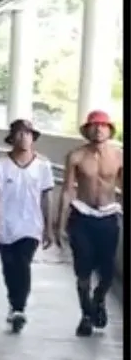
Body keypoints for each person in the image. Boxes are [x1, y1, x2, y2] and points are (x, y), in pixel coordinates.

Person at [57, 110, 123, 337]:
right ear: (87, 130)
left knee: (107, 272)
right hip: (82, 216)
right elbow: (67, 191)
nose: (98, 129)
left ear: (110, 130)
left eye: (103, 126)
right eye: (94, 125)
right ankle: (86, 314)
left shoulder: (118, 157)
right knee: (83, 270)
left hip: (107, 216)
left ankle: (99, 298)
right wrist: (59, 224)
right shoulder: (76, 156)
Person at [0, 119, 55, 333]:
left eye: (28, 133)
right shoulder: (0, 165)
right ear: (12, 138)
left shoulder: (43, 166)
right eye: (20, 133)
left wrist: (48, 227)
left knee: (23, 262)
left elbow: (47, 197)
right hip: (6, 224)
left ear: (33, 138)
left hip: (31, 225)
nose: (24, 137)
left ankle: (19, 308)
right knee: (9, 266)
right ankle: (13, 301)